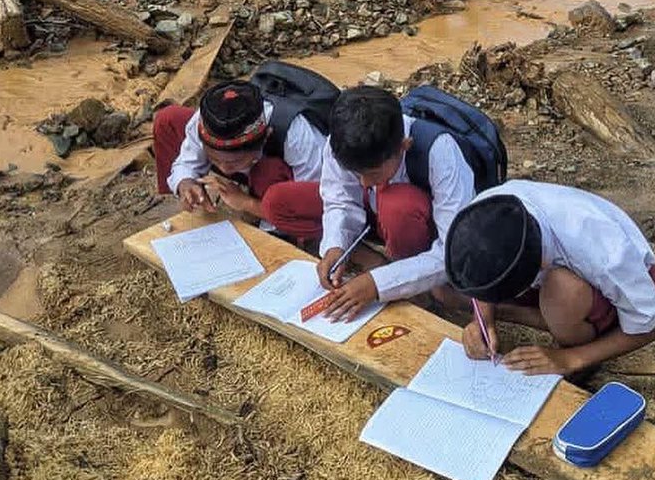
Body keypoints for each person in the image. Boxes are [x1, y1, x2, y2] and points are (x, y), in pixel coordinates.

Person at [445, 181, 655, 377]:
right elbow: (481, 262)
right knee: (442, 292)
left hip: (626, 286)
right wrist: (482, 321)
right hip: (558, 277)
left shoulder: (607, 255)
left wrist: (571, 358)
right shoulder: (486, 212)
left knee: (562, 290)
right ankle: (531, 314)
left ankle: (573, 335)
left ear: (539, 265)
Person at [316, 86, 476, 320]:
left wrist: (377, 284)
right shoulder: (343, 143)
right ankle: (395, 270)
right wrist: (335, 246)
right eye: (355, 173)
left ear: (404, 146)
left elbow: (452, 251)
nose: (363, 183)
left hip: (430, 230)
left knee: (398, 205)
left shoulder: (441, 151)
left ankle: (423, 294)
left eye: (372, 173)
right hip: (380, 222)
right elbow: (339, 200)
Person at [153, 80, 325, 242]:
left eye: (234, 163)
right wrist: (186, 183)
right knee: (168, 119)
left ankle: (278, 231)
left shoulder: (299, 137)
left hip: (288, 176)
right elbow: (186, 163)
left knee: (266, 175)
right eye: (213, 159)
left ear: (266, 137)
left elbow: (320, 207)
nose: (224, 170)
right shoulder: (206, 121)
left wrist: (247, 203)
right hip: (254, 162)